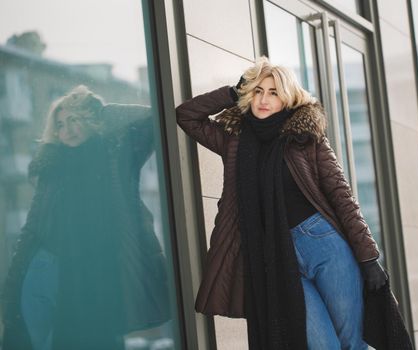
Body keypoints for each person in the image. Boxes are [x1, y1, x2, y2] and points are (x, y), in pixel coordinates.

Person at [175, 57, 388, 349]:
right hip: (276, 257)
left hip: (324, 244)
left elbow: (341, 195)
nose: (263, 99)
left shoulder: (305, 138)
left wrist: (368, 256)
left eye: (273, 92)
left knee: (352, 342)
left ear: (287, 97)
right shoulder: (233, 140)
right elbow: (186, 116)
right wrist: (231, 93)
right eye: (258, 91)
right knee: (321, 345)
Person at [1, 85, 170, 350]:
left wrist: (100, 111)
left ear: (91, 121)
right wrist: (13, 281)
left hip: (93, 273)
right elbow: (33, 225)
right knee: (33, 343)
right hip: (44, 267)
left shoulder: (113, 155)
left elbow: (154, 118)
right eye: (59, 124)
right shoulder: (52, 166)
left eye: (74, 120)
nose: (66, 129)